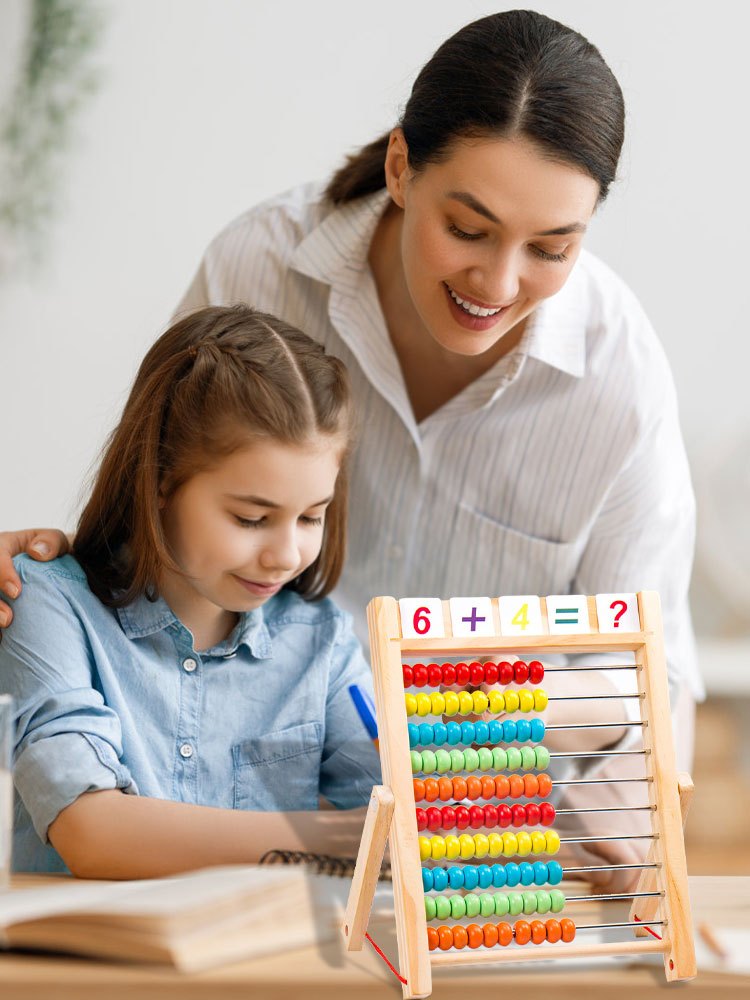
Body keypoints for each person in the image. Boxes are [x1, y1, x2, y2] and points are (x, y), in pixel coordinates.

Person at [0, 11, 700, 883]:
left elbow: (643, 678)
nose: (499, 282)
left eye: (552, 248)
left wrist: (550, 798)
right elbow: (160, 482)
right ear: (402, 168)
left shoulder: (617, 380)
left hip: (469, 837)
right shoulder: (260, 266)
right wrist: (49, 568)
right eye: (470, 229)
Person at [0, 304, 381, 877]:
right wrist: (350, 837)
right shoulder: (47, 603)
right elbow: (92, 831)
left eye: (310, 518)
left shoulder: (321, 639)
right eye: (251, 519)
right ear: (157, 482)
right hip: (84, 966)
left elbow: (411, 806)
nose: (286, 555)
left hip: (264, 961)